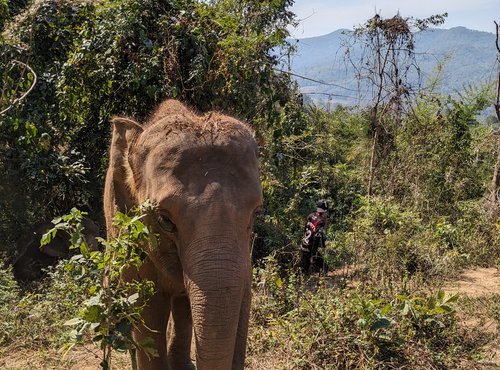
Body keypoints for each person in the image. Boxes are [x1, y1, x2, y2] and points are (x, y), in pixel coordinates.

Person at [300, 199, 329, 274]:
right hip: (310, 248)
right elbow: (316, 237)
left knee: (304, 272)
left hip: (303, 245)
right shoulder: (321, 222)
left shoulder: (310, 215)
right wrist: (313, 255)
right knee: (325, 267)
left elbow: (305, 228)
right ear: (324, 212)